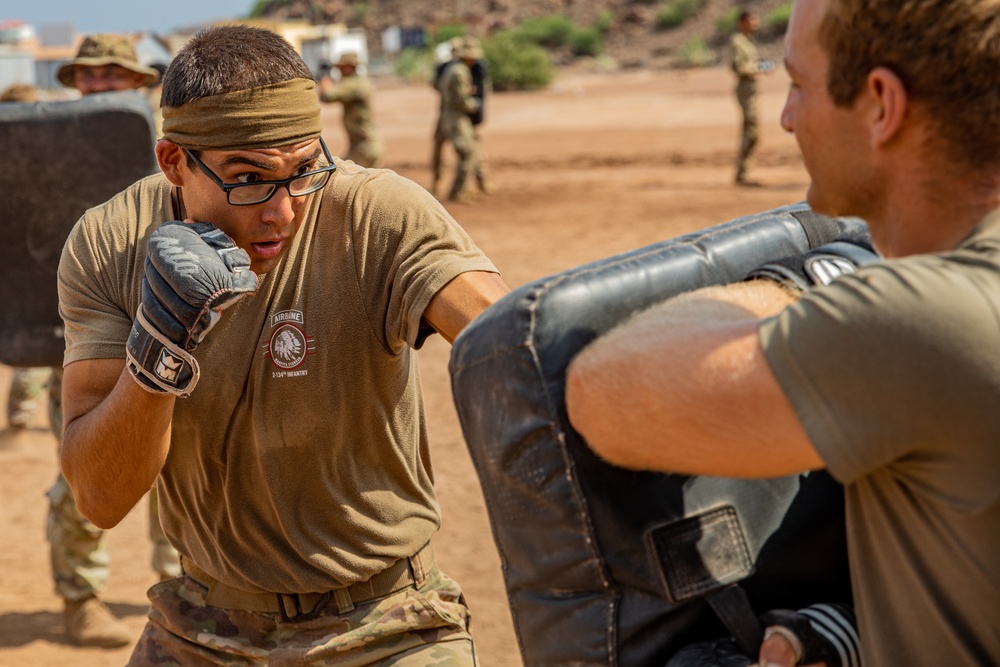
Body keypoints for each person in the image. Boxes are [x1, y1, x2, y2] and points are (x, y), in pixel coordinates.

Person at [57, 24, 509, 665]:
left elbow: (513, 340)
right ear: (174, 163)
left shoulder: (376, 215)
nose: (285, 211)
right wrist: (157, 353)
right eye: (250, 178)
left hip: (389, 624)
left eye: (303, 170)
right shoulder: (111, 243)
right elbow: (100, 499)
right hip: (200, 627)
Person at [566, 0, 1000, 664]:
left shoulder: (930, 317)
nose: (787, 116)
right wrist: (854, 625)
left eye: (800, 85)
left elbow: (605, 394)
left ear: (882, 104)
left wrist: (798, 286)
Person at [45, 33, 177, 649]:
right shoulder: (45, 152)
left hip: (168, 327)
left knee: (179, 467)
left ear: (138, 84)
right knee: (83, 467)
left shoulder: (175, 155)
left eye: (112, 75)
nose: (98, 86)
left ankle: (184, 592)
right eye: (88, 77)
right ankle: (81, 598)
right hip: (77, 337)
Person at [438, 37, 487, 204]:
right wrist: (476, 105)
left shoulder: (455, 69)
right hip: (456, 118)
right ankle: (458, 192)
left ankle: (461, 189)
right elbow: (461, 100)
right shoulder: (460, 72)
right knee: (467, 153)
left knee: (468, 153)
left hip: (453, 116)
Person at [318, 52, 383, 168]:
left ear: (350, 66)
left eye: (341, 67)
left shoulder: (353, 84)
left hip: (363, 148)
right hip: (365, 145)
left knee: (339, 175)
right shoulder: (357, 81)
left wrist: (324, 76)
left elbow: (327, 96)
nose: (339, 70)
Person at [730, 10, 773, 186]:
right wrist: (758, 69)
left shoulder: (748, 40)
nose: (755, 23)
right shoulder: (739, 42)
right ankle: (742, 173)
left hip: (751, 89)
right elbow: (739, 67)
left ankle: (743, 172)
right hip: (745, 89)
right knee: (751, 131)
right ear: (743, 21)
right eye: (752, 20)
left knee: (752, 130)